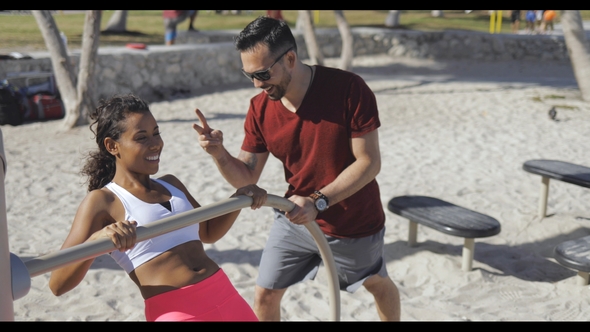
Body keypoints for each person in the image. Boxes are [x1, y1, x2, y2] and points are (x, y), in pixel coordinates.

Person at [192, 16, 400, 321]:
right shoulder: (259, 107)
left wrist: (318, 200)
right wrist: (218, 154)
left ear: (290, 58)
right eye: (249, 75)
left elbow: (369, 162)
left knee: (376, 284)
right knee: (265, 294)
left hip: (351, 222)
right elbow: (247, 177)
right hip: (294, 217)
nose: (258, 84)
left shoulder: (348, 89)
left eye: (263, 73)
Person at [48, 94, 266, 321]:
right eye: (141, 137)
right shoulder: (103, 201)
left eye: (156, 133)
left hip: (225, 295)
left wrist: (239, 198)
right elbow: (57, 284)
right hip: (176, 311)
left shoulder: (171, 183)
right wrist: (97, 240)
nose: (155, 144)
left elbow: (208, 232)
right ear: (112, 146)